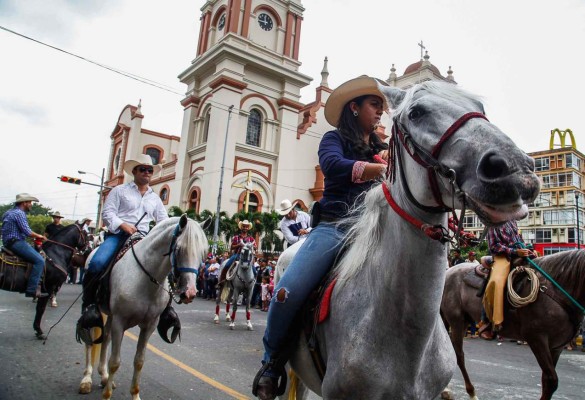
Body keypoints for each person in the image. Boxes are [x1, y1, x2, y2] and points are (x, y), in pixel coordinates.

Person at [253, 75, 389, 399]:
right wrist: (379, 169)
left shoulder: (383, 150)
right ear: (354, 108)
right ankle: (271, 363)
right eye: (374, 104)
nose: (381, 111)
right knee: (288, 291)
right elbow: (332, 165)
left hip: (376, 232)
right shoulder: (333, 139)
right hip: (336, 228)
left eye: (382, 105)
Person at [81, 154, 168, 316]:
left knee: (166, 267)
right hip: (118, 236)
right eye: (143, 169)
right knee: (97, 264)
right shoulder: (119, 191)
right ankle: (88, 305)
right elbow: (107, 213)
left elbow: (163, 221)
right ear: (134, 172)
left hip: (143, 238)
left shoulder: (155, 198)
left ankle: (166, 310)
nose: (147, 172)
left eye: (149, 170)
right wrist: (123, 225)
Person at [480, 219, 533, 338]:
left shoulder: (512, 221)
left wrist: (525, 250)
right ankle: (490, 321)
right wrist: (515, 251)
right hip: (502, 257)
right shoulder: (493, 222)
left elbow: (518, 240)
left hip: (518, 254)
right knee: (496, 282)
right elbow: (494, 246)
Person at [1, 193, 48, 298]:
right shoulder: (19, 213)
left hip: (8, 242)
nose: (31, 204)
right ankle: (32, 289)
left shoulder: (9, 212)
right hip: (16, 242)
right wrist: (39, 236)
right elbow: (27, 232)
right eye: (29, 202)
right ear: (24, 203)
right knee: (39, 260)